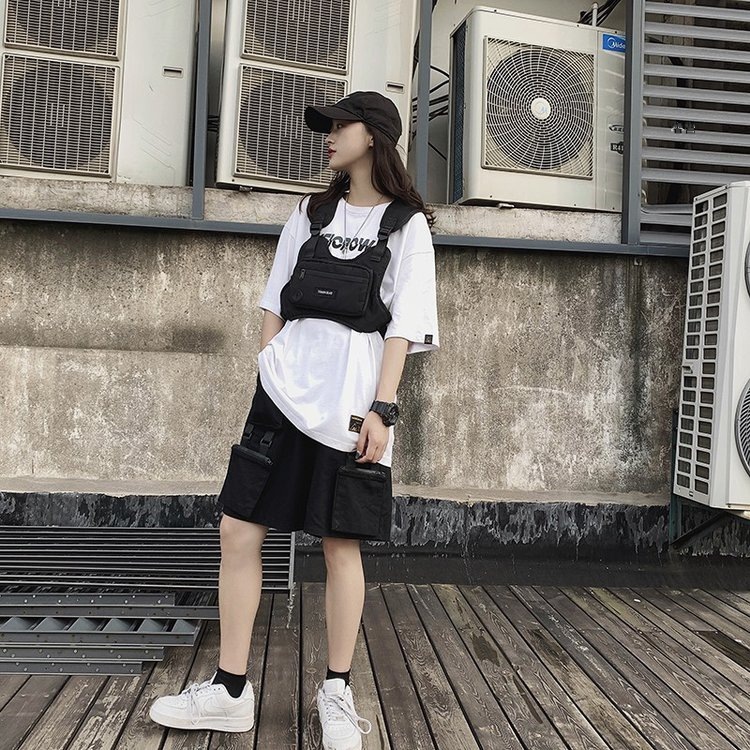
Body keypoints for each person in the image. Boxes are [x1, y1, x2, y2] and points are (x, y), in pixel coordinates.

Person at [149, 90, 440, 749]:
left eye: (340, 126)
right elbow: (273, 300)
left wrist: (383, 408)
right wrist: (270, 363)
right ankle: (229, 691)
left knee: (340, 545)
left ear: (374, 137)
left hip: (350, 406)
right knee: (238, 528)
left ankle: (336, 690)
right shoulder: (309, 213)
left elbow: (405, 325)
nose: (328, 136)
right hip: (281, 396)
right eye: (327, 127)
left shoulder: (407, 226)